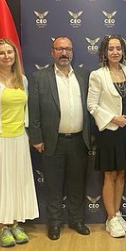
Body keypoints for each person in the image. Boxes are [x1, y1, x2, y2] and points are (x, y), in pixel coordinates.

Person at [28, 36, 92, 240]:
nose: (64, 53)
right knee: (53, 184)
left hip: (79, 140)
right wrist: (36, 138)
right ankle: (54, 223)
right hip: (51, 141)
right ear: (52, 52)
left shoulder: (84, 75)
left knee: (77, 183)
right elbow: (34, 111)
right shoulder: (39, 77)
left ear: (72, 52)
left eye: (68, 49)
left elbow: (91, 108)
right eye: (59, 49)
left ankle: (76, 220)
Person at [0, 38, 39, 247]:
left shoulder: (22, 80)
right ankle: (2, 226)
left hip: (19, 138)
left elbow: (26, 110)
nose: (6, 56)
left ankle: (15, 224)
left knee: (16, 182)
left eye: (10, 52)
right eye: (2, 53)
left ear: (15, 55)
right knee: (0, 183)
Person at [87, 35, 126, 238]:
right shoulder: (97, 75)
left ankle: (117, 214)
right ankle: (110, 219)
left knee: (122, 173)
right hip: (109, 131)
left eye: (118, 48)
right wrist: (112, 118)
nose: (115, 52)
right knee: (110, 175)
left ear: (123, 51)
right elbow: (92, 105)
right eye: (111, 49)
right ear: (104, 52)